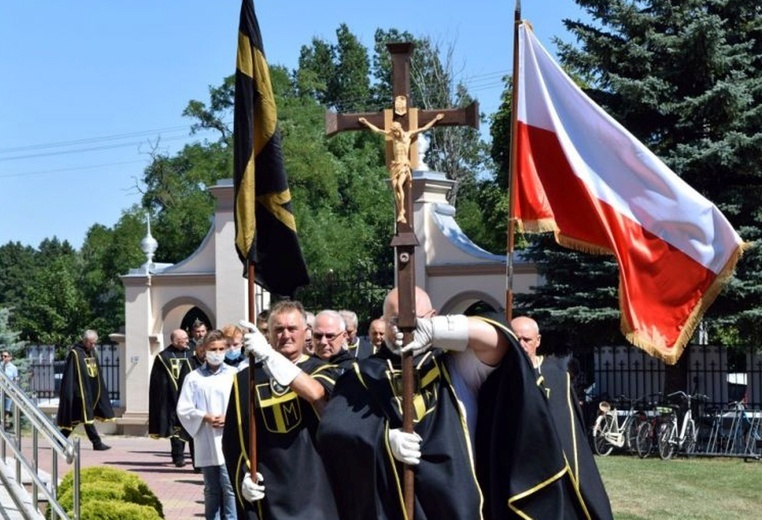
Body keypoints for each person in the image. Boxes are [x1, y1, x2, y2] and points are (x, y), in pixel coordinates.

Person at [317, 286, 507, 519]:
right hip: (388, 504)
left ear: (433, 317)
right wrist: (383, 439)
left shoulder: (455, 365)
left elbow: (498, 342)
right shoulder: (361, 374)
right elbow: (333, 431)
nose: (403, 328)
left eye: (413, 319)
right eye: (395, 320)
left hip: (450, 503)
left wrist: (435, 331)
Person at [474, 316, 613, 519]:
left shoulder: (557, 379)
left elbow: (572, 434)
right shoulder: (497, 379)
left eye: (526, 340)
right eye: (515, 338)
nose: (521, 344)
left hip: (555, 472)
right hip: (514, 471)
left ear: (538, 341)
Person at [222, 300, 340, 519]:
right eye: (278, 329)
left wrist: (268, 356)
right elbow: (233, 441)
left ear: (306, 332)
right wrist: (243, 479)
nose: (285, 335)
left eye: (292, 328)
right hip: (268, 494)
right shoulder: (246, 380)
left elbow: (315, 393)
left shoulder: (324, 370)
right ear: (268, 334)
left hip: (316, 492)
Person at [177, 330, 237, 520]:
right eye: (213, 349)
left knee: (229, 486)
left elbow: (243, 404)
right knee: (211, 488)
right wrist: (203, 416)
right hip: (206, 436)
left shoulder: (235, 374)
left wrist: (230, 418)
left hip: (229, 436)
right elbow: (184, 408)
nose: (217, 353)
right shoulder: (194, 378)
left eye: (221, 348)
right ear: (203, 350)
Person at [358, 113, 444, 223]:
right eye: (393, 132)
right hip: (395, 165)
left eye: (395, 131)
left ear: (399, 129)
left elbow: (423, 128)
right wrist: (366, 123)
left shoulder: (409, 135)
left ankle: (402, 210)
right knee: (394, 188)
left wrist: (435, 119)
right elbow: (378, 131)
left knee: (399, 185)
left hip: (404, 164)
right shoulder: (393, 137)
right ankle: (401, 211)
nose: (394, 134)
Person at [57, 330, 114, 451]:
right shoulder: (75, 353)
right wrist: (72, 393)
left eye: (95, 343)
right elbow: (71, 375)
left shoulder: (92, 352)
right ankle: (96, 443)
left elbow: (95, 372)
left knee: (75, 419)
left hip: (90, 392)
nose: (93, 346)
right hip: (80, 393)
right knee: (87, 418)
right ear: (85, 341)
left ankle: (58, 438)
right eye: (91, 343)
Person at [148, 328, 194, 467]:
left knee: (192, 429)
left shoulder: (193, 353)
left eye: (186, 338)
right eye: (182, 339)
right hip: (171, 398)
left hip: (190, 396)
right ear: (174, 341)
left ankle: (196, 460)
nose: (186, 341)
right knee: (175, 429)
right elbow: (158, 381)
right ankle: (178, 457)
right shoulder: (164, 357)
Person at [2, 351, 19, 427]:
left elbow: (15, 379)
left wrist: (14, 390)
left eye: (5, 356)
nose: (3, 357)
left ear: (10, 358)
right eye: (2, 356)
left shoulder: (13, 368)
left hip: (9, 390)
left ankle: (5, 424)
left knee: (7, 409)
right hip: (0, 390)